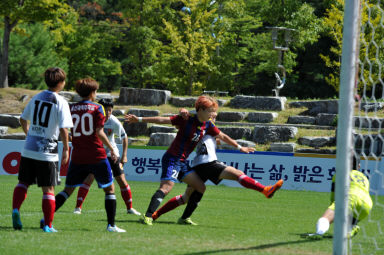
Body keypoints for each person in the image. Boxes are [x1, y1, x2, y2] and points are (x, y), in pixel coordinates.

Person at [125, 95, 254, 225]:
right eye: (210, 110)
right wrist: (139, 119)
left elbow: (222, 136)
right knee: (166, 188)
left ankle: (184, 218)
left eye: (213, 111)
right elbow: (162, 119)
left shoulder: (207, 125)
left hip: (182, 163)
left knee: (200, 187)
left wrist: (239, 147)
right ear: (201, 110)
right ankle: (147, 216)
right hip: (172, 159)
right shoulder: (186, 119)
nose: (213, 114)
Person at [152, 110, 284, 225]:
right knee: (238, 174)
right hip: (207, 163)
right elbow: (220, 135)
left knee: (186, 196)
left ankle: (157, 214)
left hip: (198, 165)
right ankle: (265, 190)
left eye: (214, 117)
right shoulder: (205, 126)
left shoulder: (206, 129)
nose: (213, 118)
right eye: (212, 116)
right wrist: (183, 110)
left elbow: (219, 139)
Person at [41, 78, 125, 232]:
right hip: (96, 155)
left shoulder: (71, 107)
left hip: (78, 155)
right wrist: (112, 149)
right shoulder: (98, 108)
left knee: (67, 190)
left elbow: (65, 128)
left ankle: (46, 218)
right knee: (110, 189)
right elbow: (99, 132)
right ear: (93, 92)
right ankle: (111, 226)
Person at [12, 67, 73, 232]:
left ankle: (15, 209)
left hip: (29, 148)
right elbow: (63, 129)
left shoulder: (37, 97)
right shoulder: (61, 102)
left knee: (23, 182)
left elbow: (23, 119)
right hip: (47, 151)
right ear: (60, 83)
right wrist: (66, 149)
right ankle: (48, 225)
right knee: (49, 189)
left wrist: (29, 134)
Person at [72, 98, 140, 216]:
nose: (108, 113)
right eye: (105, 110)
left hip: (111, 154)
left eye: (110, 110)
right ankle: (78, 208)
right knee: (88, 179)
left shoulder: (114, 121)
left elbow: (124, 137)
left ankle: (130, 208)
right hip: (96, 154)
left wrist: (124, 155)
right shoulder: (91, 119)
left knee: (122, 181)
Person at [315, 156, 373, 238]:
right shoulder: (364, 178)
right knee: (347, 222)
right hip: (367, 204)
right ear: (359, 166)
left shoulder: (340, 174)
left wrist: (332, 210)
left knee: (325, 219)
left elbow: (334, 196)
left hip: (350, 198)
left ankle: (318, 234)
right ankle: (352, 227)